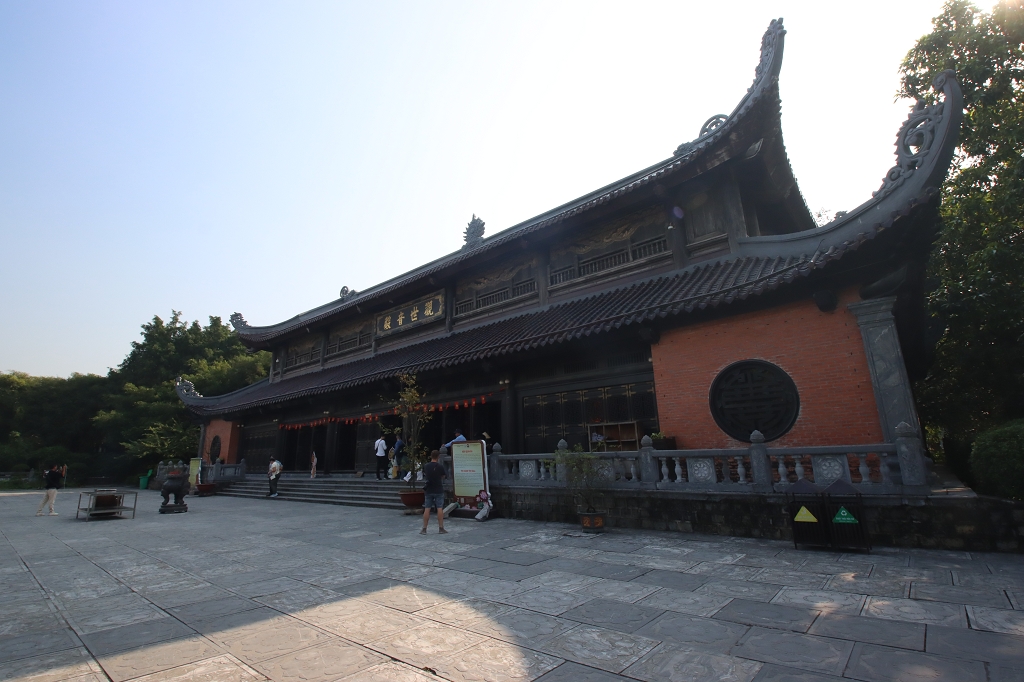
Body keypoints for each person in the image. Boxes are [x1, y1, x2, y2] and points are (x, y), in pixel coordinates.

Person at [420, 450, 447, 534]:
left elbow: (425, 474)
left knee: (427, 508)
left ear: (431, 456)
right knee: (439, 508)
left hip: (429, 489)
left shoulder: (426, 466)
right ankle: (441, 528)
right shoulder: (440, 466)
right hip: (438, 489)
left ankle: (424, 528)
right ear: (438, 457)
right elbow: (443, 476)